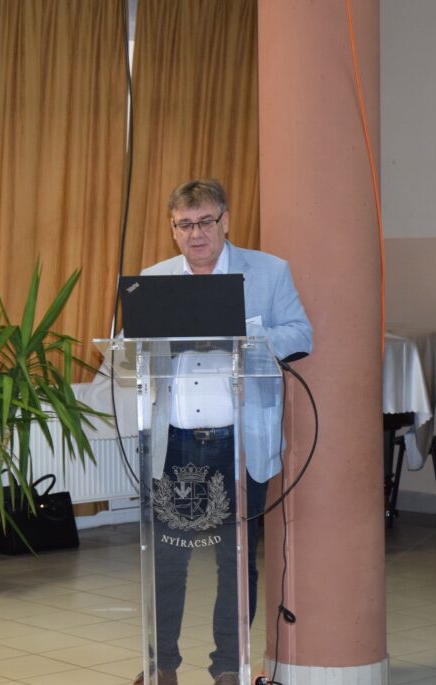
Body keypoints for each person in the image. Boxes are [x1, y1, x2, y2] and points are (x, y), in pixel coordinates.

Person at [135, 179, 312, 685]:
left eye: (205, 222)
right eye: (184, 225)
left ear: (225, 221)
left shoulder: (268, 272)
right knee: (167, 562)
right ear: (172, 229)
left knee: (235, 562)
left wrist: (242, 333)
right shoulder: (154, 280)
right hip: (175, 443)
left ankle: (229, 668)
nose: (196, 234)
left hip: (239, 444)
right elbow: (126, 347)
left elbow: (301, 333)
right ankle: (162, 667)